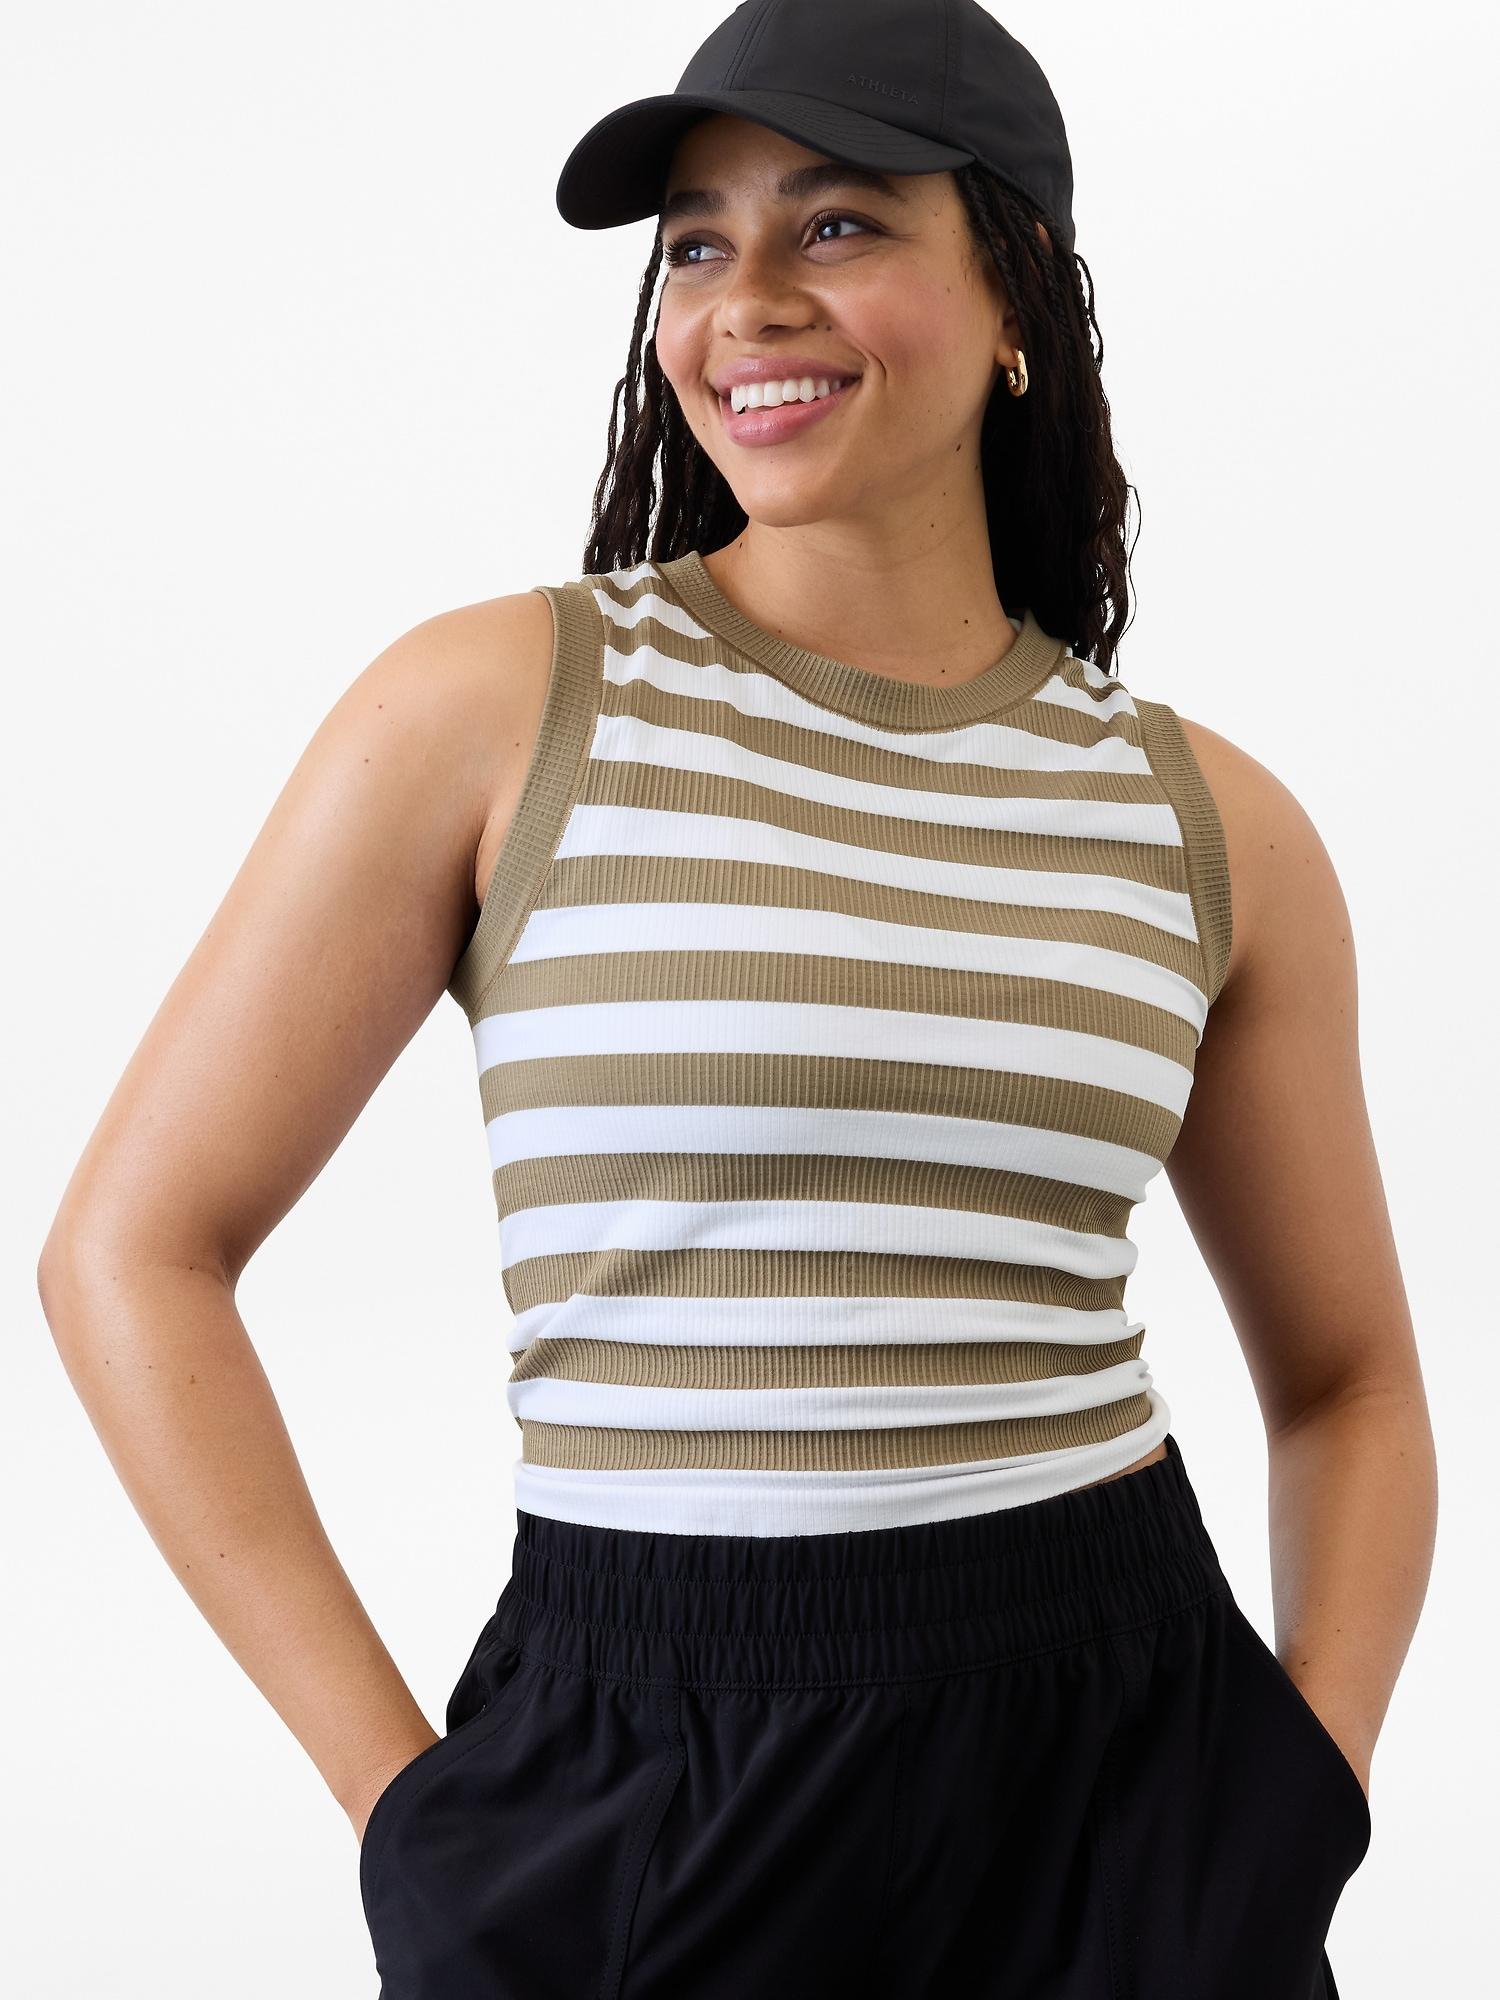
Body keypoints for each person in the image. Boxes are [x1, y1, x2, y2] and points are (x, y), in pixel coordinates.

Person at [37, 3, 1435, 1996]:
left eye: (838, 224)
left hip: (1124, 1765)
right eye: (698, 242)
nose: (746, 300)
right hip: (642, 1767)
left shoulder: (1208, 819)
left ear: (1017, 292)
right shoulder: (497, 709)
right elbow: (129, 1251)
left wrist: (1306, 1788)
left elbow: (1350, 1379)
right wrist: (403, 1810)